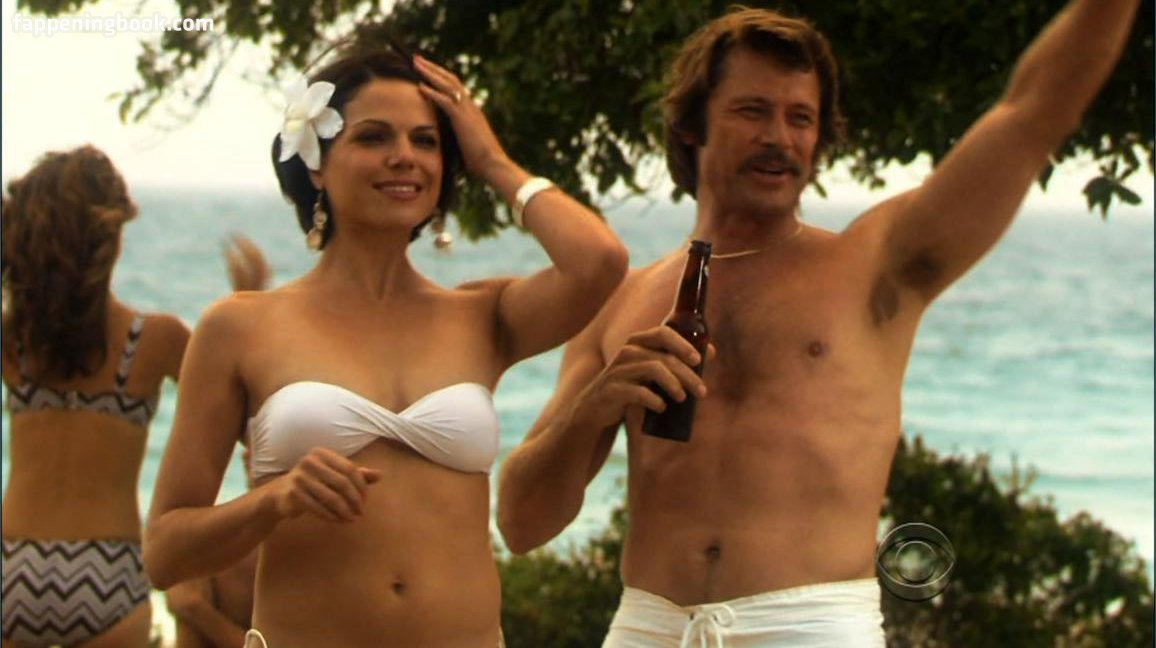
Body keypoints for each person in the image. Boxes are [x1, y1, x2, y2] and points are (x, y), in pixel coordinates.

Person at [497, 2, 1142, 646]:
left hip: (808, 626)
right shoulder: (621, 305)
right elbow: (522, 524)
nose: (779, 136)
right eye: (753, 110)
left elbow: (1032, 114)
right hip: (648, 627)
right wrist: (593, 407)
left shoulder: (875, 268)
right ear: (693, 125)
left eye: (800, 117)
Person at [142, 40, 628, 648]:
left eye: (426, 141)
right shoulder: (240, 328)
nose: (404, 157)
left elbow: (599, 261)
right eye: (374, 137)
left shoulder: (482, 317)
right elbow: (163, 553)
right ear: (316, 165)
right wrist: (273, 500)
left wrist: (492, 161)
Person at [0, 145, 191, 648]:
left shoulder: (13, 341)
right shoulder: (155, 339)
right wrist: (248, 300)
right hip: (107, 571)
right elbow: (242, 417)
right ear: (112, 240)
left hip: (12, 566)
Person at [164, 446, 258, 648]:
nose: (246, 454)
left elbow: (186, 601)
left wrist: (197, 610)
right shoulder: (216, 539)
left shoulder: (313, 550)